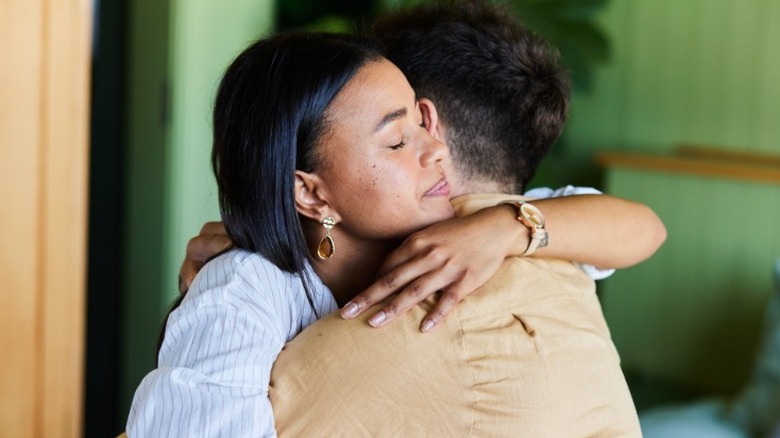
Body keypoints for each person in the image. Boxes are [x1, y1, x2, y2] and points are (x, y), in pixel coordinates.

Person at [168, 2, 664, 436]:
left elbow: (643, 227)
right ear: (311, 193)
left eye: (419, 124)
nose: (434, 151)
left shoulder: (476, 220)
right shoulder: (247, 293)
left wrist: (505, 228)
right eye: (398, 138)